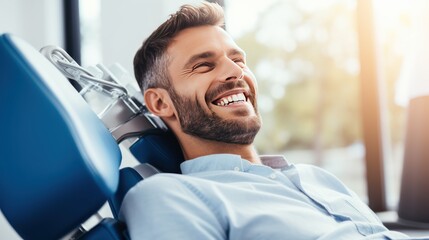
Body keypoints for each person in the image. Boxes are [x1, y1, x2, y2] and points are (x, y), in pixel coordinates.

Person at [119, 2, 417, 239]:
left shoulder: (316, 177)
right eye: (204, 65)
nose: (236, 72)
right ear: (160, 102)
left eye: (238, 60)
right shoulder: (170, 197)